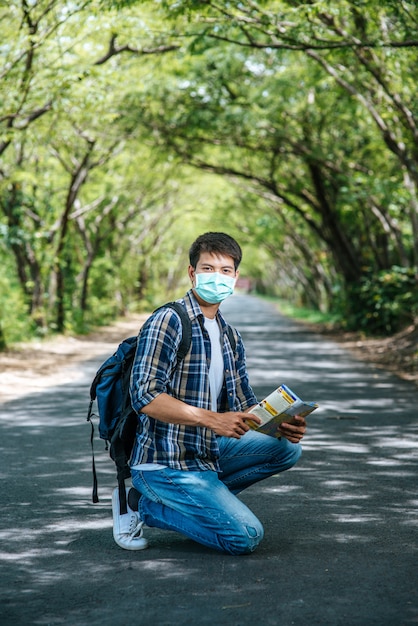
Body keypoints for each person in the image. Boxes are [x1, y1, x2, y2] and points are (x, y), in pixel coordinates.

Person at [111, 232, 306, 555]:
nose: (218, 277)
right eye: (208, 269)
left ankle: (204, 503)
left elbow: (246, 407)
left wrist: (282, 424)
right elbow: (144, 395)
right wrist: (212, 420)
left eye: (226, 270)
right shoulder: (169, 321)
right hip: (165, 462)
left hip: (206, 455)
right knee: (244, 537)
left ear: (236, 276)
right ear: (192, 273)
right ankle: (141, 505)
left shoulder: (229, 335)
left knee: (286, 449)